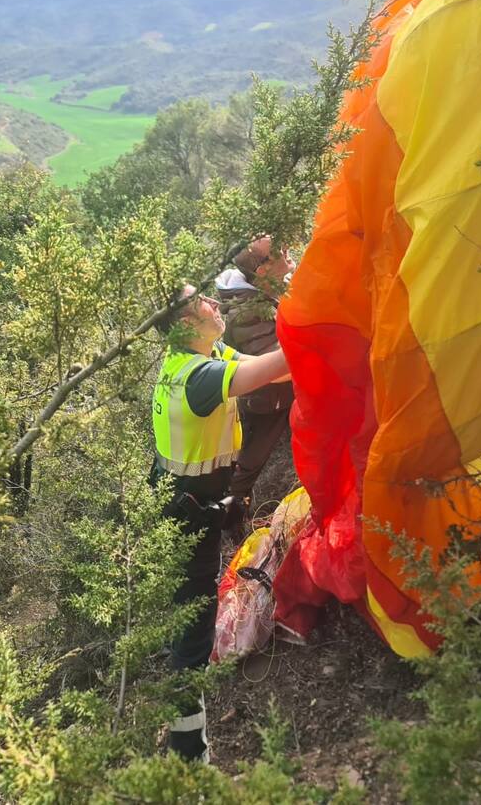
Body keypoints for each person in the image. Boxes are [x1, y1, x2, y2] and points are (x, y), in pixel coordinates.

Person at [150, 282, 288, 762]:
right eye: (202, 300)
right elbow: (280, 366)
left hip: (185, 506)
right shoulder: (200, 376)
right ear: (187, 322)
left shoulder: (205, 354)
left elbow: (260, 371)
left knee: (190, 616)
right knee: (193, 634)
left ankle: (185, 745)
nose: (214, 302)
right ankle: (188, 758)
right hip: (186, 519)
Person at [214, 237, 296, 518]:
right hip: (265, 401)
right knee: (248, 462)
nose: (287, 250)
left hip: (280, 394)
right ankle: (232, 513)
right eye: (279, 251)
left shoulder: (267, 286)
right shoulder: (245, 314)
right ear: (261, 270)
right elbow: (281, 370)